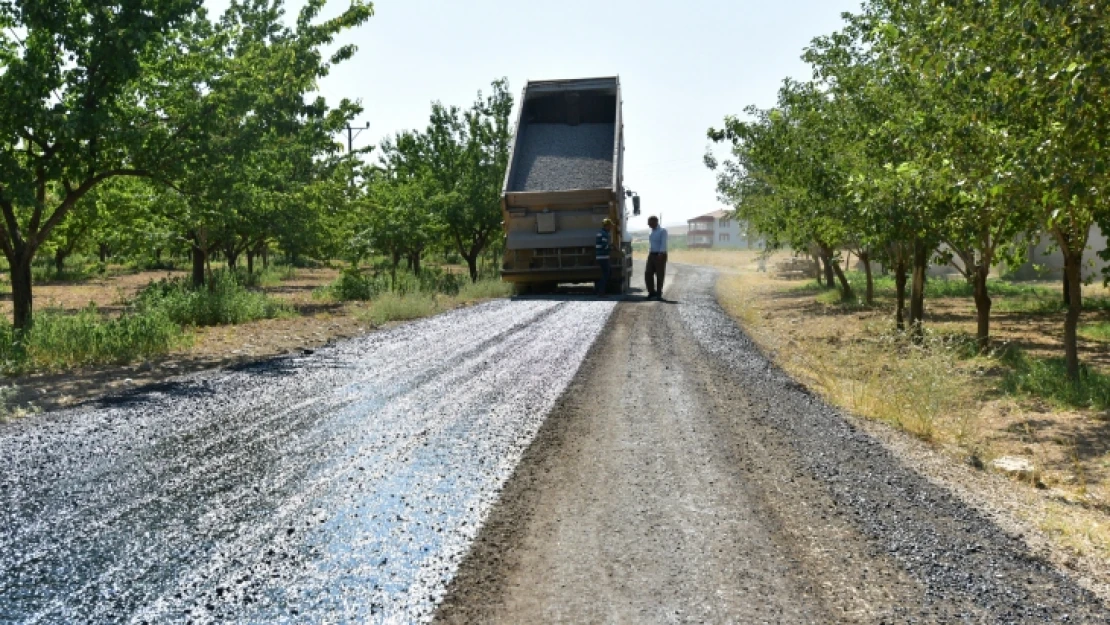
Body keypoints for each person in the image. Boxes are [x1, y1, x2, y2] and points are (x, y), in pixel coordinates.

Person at [645, 215, 668, 299]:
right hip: (651, 254)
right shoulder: (651, 231)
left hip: (660, 254)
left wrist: (661, 253)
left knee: (659, 274)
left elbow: (663, 242)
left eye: (650, 222)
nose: (648, 224)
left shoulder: (662, 231)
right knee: (648, 273)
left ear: (655, 222)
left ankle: (659, 293)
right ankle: (651, 292)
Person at [595, 218, 613, 295]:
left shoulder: (599, 233)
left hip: (599, 256)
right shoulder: (604, 234)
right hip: (604, 256)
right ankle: (600, 291)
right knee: (606, 274)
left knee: (606, 273)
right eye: (610, 226)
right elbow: (604, 246)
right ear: (607, 226)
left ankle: (598, 289)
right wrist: (611, 247)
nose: (611, 228)